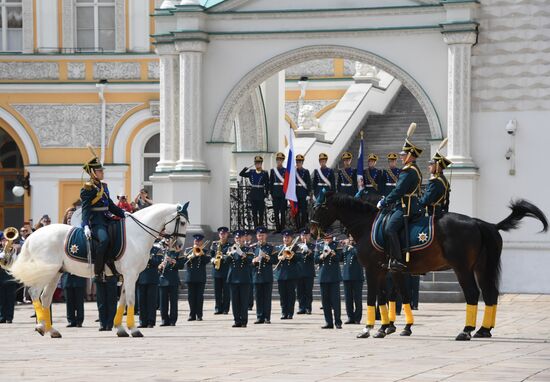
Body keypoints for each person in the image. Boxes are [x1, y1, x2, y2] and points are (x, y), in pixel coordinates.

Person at [377, 124, 423, 271]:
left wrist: (384, 202)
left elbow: (398, 191)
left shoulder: (408, 171)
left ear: (410, 156)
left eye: (404, 155)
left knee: (390, 228)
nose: (402, 157)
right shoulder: (415, 169)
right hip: (412, 205)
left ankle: (397, 259)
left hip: (406, 207)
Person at [80, 154, 128, 281]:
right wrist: (85, 224)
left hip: (108, 218)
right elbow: (85, 207)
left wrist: (124, 214)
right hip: (96, 221)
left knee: (119, 236)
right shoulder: (88, 188)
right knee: (104, 240)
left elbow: (110, 205)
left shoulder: (104, 186)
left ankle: (112, 264)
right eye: (99, 171)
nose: (102, 173)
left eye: (101, 170)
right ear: (92, 172)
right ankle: (98, 271)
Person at [315, 231, 343, 329]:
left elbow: (341, 258)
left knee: (336, 301)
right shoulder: (319, 245)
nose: (327, 240)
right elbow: (315, 260)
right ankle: (328, 322)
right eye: (325, 238)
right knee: (325, 301)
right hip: (323, 276)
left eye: (328, 238)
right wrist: (322, 256)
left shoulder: (336, 245)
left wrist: (333, 254)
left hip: (334, 276)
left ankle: (338, 322)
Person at [226, 230, 252, 327]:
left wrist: (242, 254)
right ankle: (237, 320)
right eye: (237, 238)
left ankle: (244, 321)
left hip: (244, 278)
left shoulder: (248, 249)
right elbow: (225, 261)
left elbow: (250, 261)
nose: (238, 240)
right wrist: (230, 253)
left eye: (240, 238)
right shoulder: (230, 248)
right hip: (233, 277)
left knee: (244, 301)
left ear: (243, 239)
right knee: (235, 301)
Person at [137, 238, 164, 328]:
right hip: (141, 278)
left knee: (151, 302)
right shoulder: (140, 251)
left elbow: (157, 262)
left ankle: (151, 321)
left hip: (152, 279)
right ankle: (142, 321)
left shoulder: (157, 250)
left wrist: (148, 257)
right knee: (142, 301)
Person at [183, 234, 211, 321]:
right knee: (191, 297)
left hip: (200, 277)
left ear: (201, 242)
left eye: (199, 241)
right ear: (194, 241)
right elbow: (184, 262)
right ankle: (192, 315)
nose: (197, 242)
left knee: (199, 297)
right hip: (190, 276)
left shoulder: (205, 251)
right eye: (196, 241)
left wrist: (201, 254)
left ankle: (199, 315)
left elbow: (207, 261)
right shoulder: (188, 250)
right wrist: (192, 255)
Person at [158, 239, 185, 326]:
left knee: (173, 302)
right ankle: (164, 320)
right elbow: (157, 266)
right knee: (163, 302)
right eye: (165, 243)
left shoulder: (178, 253)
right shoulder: (162, 253)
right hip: (163, 279)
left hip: (173, 280)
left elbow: (181, 265)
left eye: (168, 242)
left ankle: (173, 320)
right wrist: (161, 266)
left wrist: (173, 261)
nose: (166, 244)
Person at [251, 226, 275, 324]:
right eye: (259, 235)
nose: (260, 237)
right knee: (258, 297)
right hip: (257, 275)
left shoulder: (270, 247)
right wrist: (253, 261)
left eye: (262, 235)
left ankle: (267, 317)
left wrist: (267, 257)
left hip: (267, 275)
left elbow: (275, 260)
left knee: (267, 297)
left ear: (266, 236)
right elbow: (248, 261)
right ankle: (259, 316)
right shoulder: (253, 247)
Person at [275, 229, 300, 320]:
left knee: (291, 295)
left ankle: (290, 312)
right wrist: (279, 257)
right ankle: (283, 312)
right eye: (285, 237)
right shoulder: (279, 247)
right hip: (281, 274)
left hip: (291, 274)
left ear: (291, 238)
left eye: (288, 237)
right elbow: (274, 258)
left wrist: (288, 253)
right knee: (282, 295)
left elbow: (298, 258)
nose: (286, 239)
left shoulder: (295, 247)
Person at [419, 149, 452, 218]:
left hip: (433, 214)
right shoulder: (444, 180)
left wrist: (417, 201)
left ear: (437, 166)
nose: (429, 166)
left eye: (431, 164)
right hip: (441, 212)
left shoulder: (434, 181)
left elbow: (425, 201)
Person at [239, 156, 269, 227]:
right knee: (254, 212)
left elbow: (267, 184)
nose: (257, 164)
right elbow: (241, 174)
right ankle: (256, 227)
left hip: (261, 193)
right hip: (253, 194)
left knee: (261, 212)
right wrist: (246, 168)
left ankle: (261, 226)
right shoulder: (251, 172)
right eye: (256, 163)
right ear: (254, 164)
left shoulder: (264, 173)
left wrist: (266, 194)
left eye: (259, 163)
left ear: (261, 164)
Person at [342, 235, 364, 324]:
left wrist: (352, 248)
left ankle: (357, 318)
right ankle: (350, 317)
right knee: (348, 299)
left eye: (352, 239)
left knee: (357, 299)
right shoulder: (346, 249)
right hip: (346, 276)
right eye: (350, 239)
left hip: (357, 277)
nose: (351, 240)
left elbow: (359, 255)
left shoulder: (359, 247)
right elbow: (340, 258)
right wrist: (344, 247)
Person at [210, 227, 231, 314]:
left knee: (226, 291)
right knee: (217, 291)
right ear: (219, 235)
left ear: (227, 234)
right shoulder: (214, 244)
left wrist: (223, 256)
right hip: (216, 270)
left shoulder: (230, 245)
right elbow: (211, 255)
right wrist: (213, 260)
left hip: (226, 270)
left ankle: (226, 309)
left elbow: (230, 257)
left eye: (224, 234)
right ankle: (218, 308)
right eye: (221, 234)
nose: (222, 235)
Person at [296, 228, 316, 315]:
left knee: (308, 291)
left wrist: (308, 250)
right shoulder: (296, 247)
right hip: (299, 271)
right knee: (299, 291)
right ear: (300, 236)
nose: (304, 237)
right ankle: (301, 307)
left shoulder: (313, 246)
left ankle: (308, 308)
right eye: (303, 235)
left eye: (306, 235)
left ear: (309, 236)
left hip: (308, 272)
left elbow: (315, 258)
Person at [0, 233, 17, 324]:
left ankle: (9, 317)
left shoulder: (13, 250)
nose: (5, 242)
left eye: (7, 240)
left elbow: (13, 259)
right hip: (1, 275)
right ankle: (2, 316)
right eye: (3, 240)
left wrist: (7, 251)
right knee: (1, 298)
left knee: (10, 298)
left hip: (10, 275)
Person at [270, 152, 288, 233]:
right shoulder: (273, 171)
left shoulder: (286, 170)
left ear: (283, 161)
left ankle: (283, 228)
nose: (279, 161)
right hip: (275, 192)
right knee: (276, 211)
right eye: (278, 160)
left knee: (283, 211)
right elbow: (271, 182)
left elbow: (287, 183)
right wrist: (270, 193)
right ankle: (277, 228)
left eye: (280, 160)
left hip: (283, 193)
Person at [295, 154, 312, 230]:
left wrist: (308, 194)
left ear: (302, 163)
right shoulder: (293, 171)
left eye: (300, 162)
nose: (298, 163)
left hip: (303, 193)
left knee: (303, 211)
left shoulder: (306, 171)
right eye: (297, 162)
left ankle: (303, 226)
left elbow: (309, 183)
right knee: (296, 211)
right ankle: (297, 227)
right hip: (295, 194)